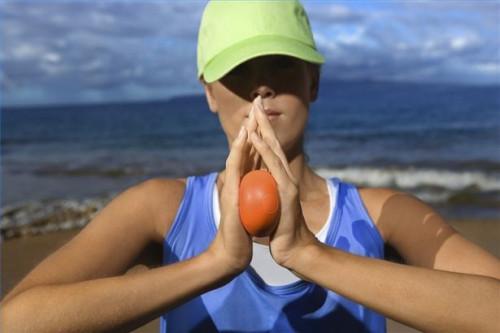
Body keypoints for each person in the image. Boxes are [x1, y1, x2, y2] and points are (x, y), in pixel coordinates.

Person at [1, 1, 499, 332]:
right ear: (208, 92)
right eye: (238, 71)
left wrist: (310, 254)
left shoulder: (381, 213)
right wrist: (213, 263)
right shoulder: (161, 208)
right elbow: (18, 321)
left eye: (281, 65)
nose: (261, 86)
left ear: (314, 82)